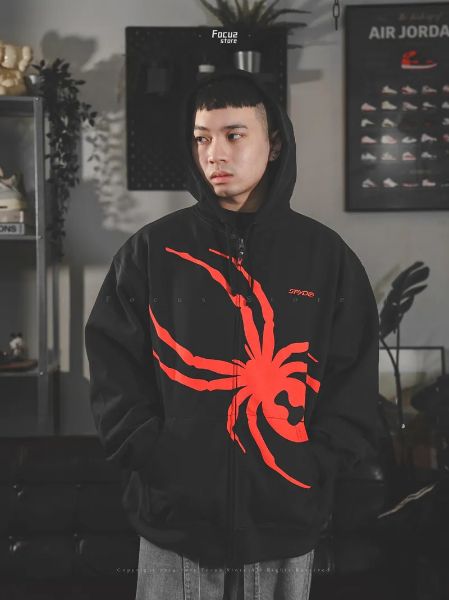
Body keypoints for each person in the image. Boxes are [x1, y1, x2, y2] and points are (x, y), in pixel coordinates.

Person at [85, 68, 380, 599]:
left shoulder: (326, 258)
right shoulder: (151, 252)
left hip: (286, 520)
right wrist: (155, 456)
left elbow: (352, 379)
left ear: (274, 144)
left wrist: (314, 464)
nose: (214, 154)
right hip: (176, 524)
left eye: (234, 135)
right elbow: (114, 367)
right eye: (202, 138)